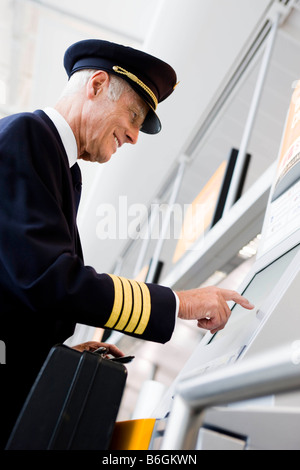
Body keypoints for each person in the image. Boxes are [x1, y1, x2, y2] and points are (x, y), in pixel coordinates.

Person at [0, 39, 254, 447]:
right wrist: (180, 303)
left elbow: (22, 285)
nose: (135, 136)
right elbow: (48, 280)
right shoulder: (28, 136)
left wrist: (55, 348)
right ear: (97, 85)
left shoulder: (64, 168)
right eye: (134, 116)